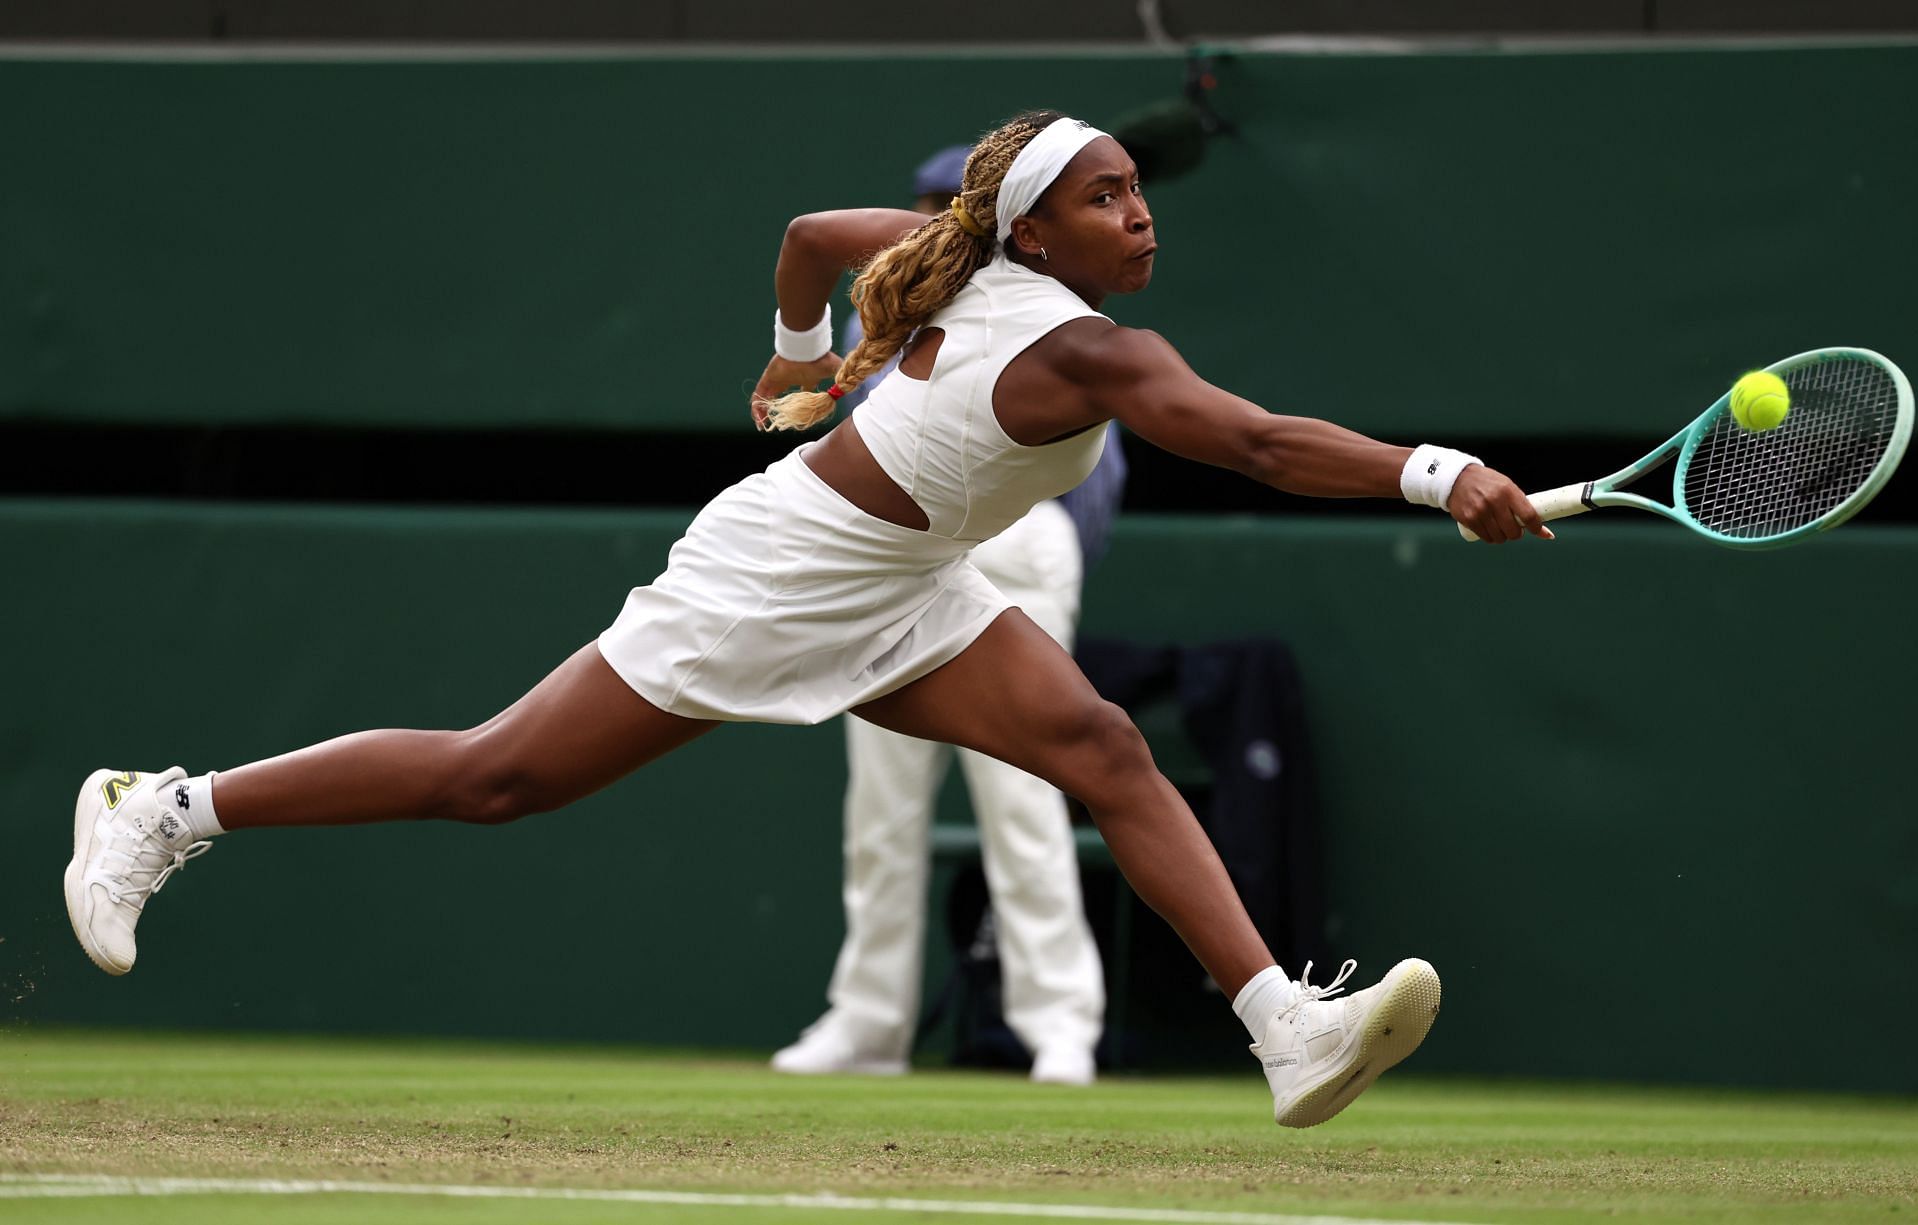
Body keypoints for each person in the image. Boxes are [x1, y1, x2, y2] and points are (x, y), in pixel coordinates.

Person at [63, 109, 1550, 1130]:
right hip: (779, 571)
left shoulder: (987, 269)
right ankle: (164, 804)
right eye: (1105, 195)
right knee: (494, 778)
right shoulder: (1098, 352)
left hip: (910, 588)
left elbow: (806, 235)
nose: (1138, 210)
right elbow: (1263, 442)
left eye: (1137, 188)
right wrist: (1442, 474)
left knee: (1102, 748)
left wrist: (795, 367)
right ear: (1036, 233)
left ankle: (1283, 1026)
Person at [771, 144, 1122, 1088]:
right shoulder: (886, 301)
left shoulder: (1053, 311)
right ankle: (868, 1023)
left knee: (1024, 793)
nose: (941, 218)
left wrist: (1035, 542)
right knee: (880, 807)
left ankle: (1060, 1026)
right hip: (892, 553)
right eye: (934, 203)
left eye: (958, 203)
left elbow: (1094, 467)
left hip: (1010, 548)